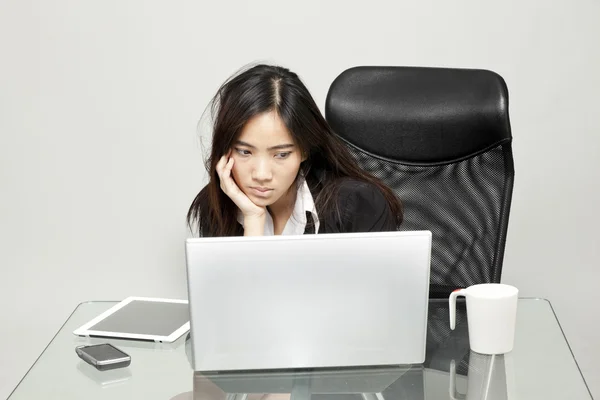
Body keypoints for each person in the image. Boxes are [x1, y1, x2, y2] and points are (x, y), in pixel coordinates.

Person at [187, 64, 402, 237]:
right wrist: (253, 219)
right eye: (245, 152)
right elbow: (237, 292)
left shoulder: (356, 205)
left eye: (281, 154)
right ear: (225, 150)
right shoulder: (215, 208)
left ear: (305, 150)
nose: (261, 175)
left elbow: (379, 291)